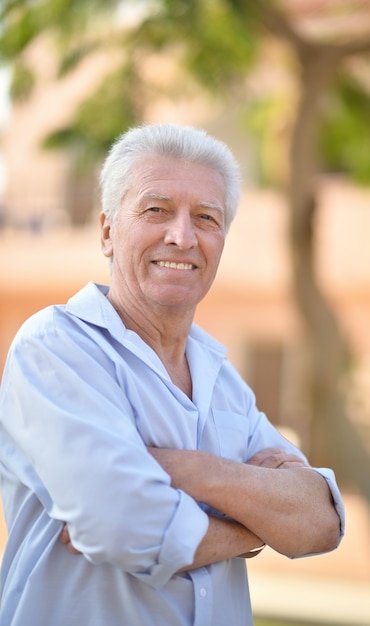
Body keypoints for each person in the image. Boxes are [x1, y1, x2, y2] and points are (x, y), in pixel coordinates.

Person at [0, 123, 344, 626]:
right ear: (107, 232)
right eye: (156, 210)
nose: (182, 236)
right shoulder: (57, 348)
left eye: (206, 217)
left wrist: (183, 470)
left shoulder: (224, 382)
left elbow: (320, 521)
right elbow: (123, 524)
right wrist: (258, 522)